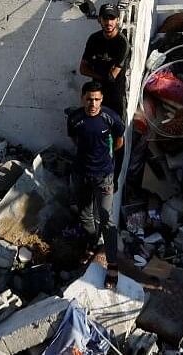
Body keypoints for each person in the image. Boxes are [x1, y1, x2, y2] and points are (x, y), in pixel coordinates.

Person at [66, 81, 125, 286]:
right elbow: (75, 140)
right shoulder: (74, 119)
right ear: (82, 98)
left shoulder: (111, 118)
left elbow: (119, 143)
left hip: (104, 177)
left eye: (97, 99)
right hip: (82, 175)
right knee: (84, 216)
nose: (93, 103)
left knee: (106, 219)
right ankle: (93, 243)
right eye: (89, 99)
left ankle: (113, 265)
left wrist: (112, 173)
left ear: (102, 99)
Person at [80, 3, 129, 115]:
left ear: (117, 20)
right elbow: (82, 69)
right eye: (105, 18)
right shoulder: (94, 39)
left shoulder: (122, 43)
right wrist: (103, 75)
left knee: (114, 123)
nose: (108, 22)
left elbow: (112, 77)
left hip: (115, 92)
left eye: (112, 18)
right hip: (96, 92)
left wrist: (95, 72)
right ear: (99, 20)